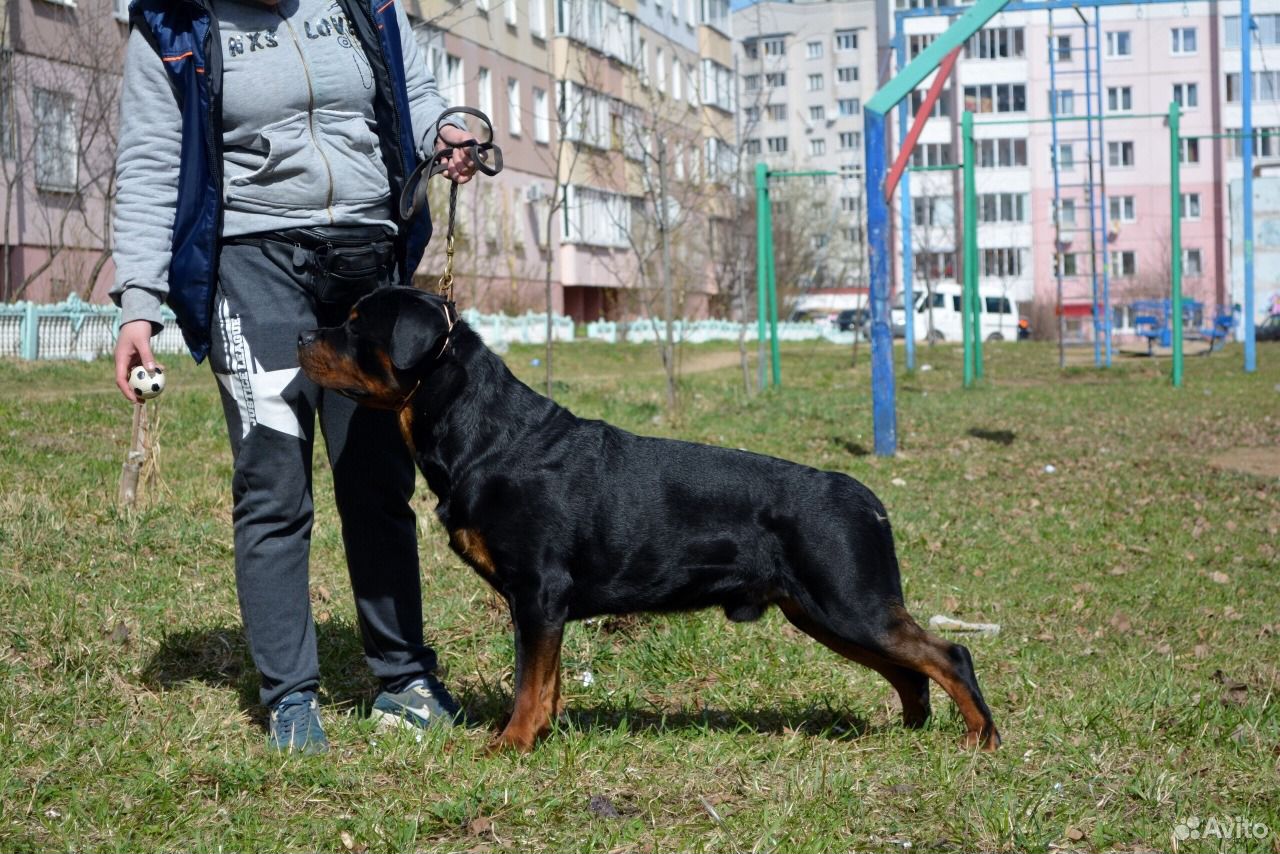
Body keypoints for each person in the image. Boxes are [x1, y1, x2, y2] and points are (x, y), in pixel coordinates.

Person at [110, 0, 477, 754]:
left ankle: (403, 678)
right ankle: (290, 698)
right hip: (253, 262)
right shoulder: (176, 25)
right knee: (274, 481)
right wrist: (138, 305)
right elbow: (150, 160)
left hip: (366, 257)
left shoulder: (362, 5)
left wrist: (445, 128)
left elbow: (415, 90)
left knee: (378, 479)